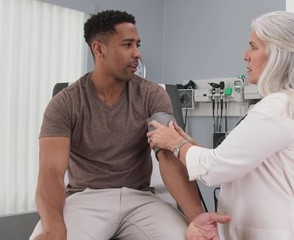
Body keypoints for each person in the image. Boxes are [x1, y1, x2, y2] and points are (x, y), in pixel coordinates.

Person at [148, 11, 294, 240]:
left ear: (278, 54)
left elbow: (216, 168)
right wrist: (188, 146)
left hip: (286, 231)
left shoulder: (281, 106)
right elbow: (243, 162)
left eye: (253, 46)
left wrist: (175, 143)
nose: (246, 55)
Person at [29, 10, 208, 240]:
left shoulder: (152, 95)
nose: (137, 53)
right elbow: (51, 173)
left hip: (141, 200)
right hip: (87, 199)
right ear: (98, 49)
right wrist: (54, 227)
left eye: (137, 44)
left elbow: (168, 156)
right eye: (127, 45)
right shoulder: (65, 102)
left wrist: (196, 217)